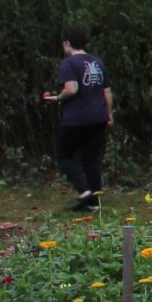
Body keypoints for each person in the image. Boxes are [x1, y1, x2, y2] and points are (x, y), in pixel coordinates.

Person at [40, 28, 111, 213]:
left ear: (67, 43)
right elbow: (107, 92)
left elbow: (72, 89)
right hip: (98, 117)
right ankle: (94, 202)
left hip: (76, 119)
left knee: (64, 156)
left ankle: (84, 192)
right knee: (91, 159)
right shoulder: (98, 62)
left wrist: (57, 98)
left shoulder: (69, 63)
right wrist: (109, 114)